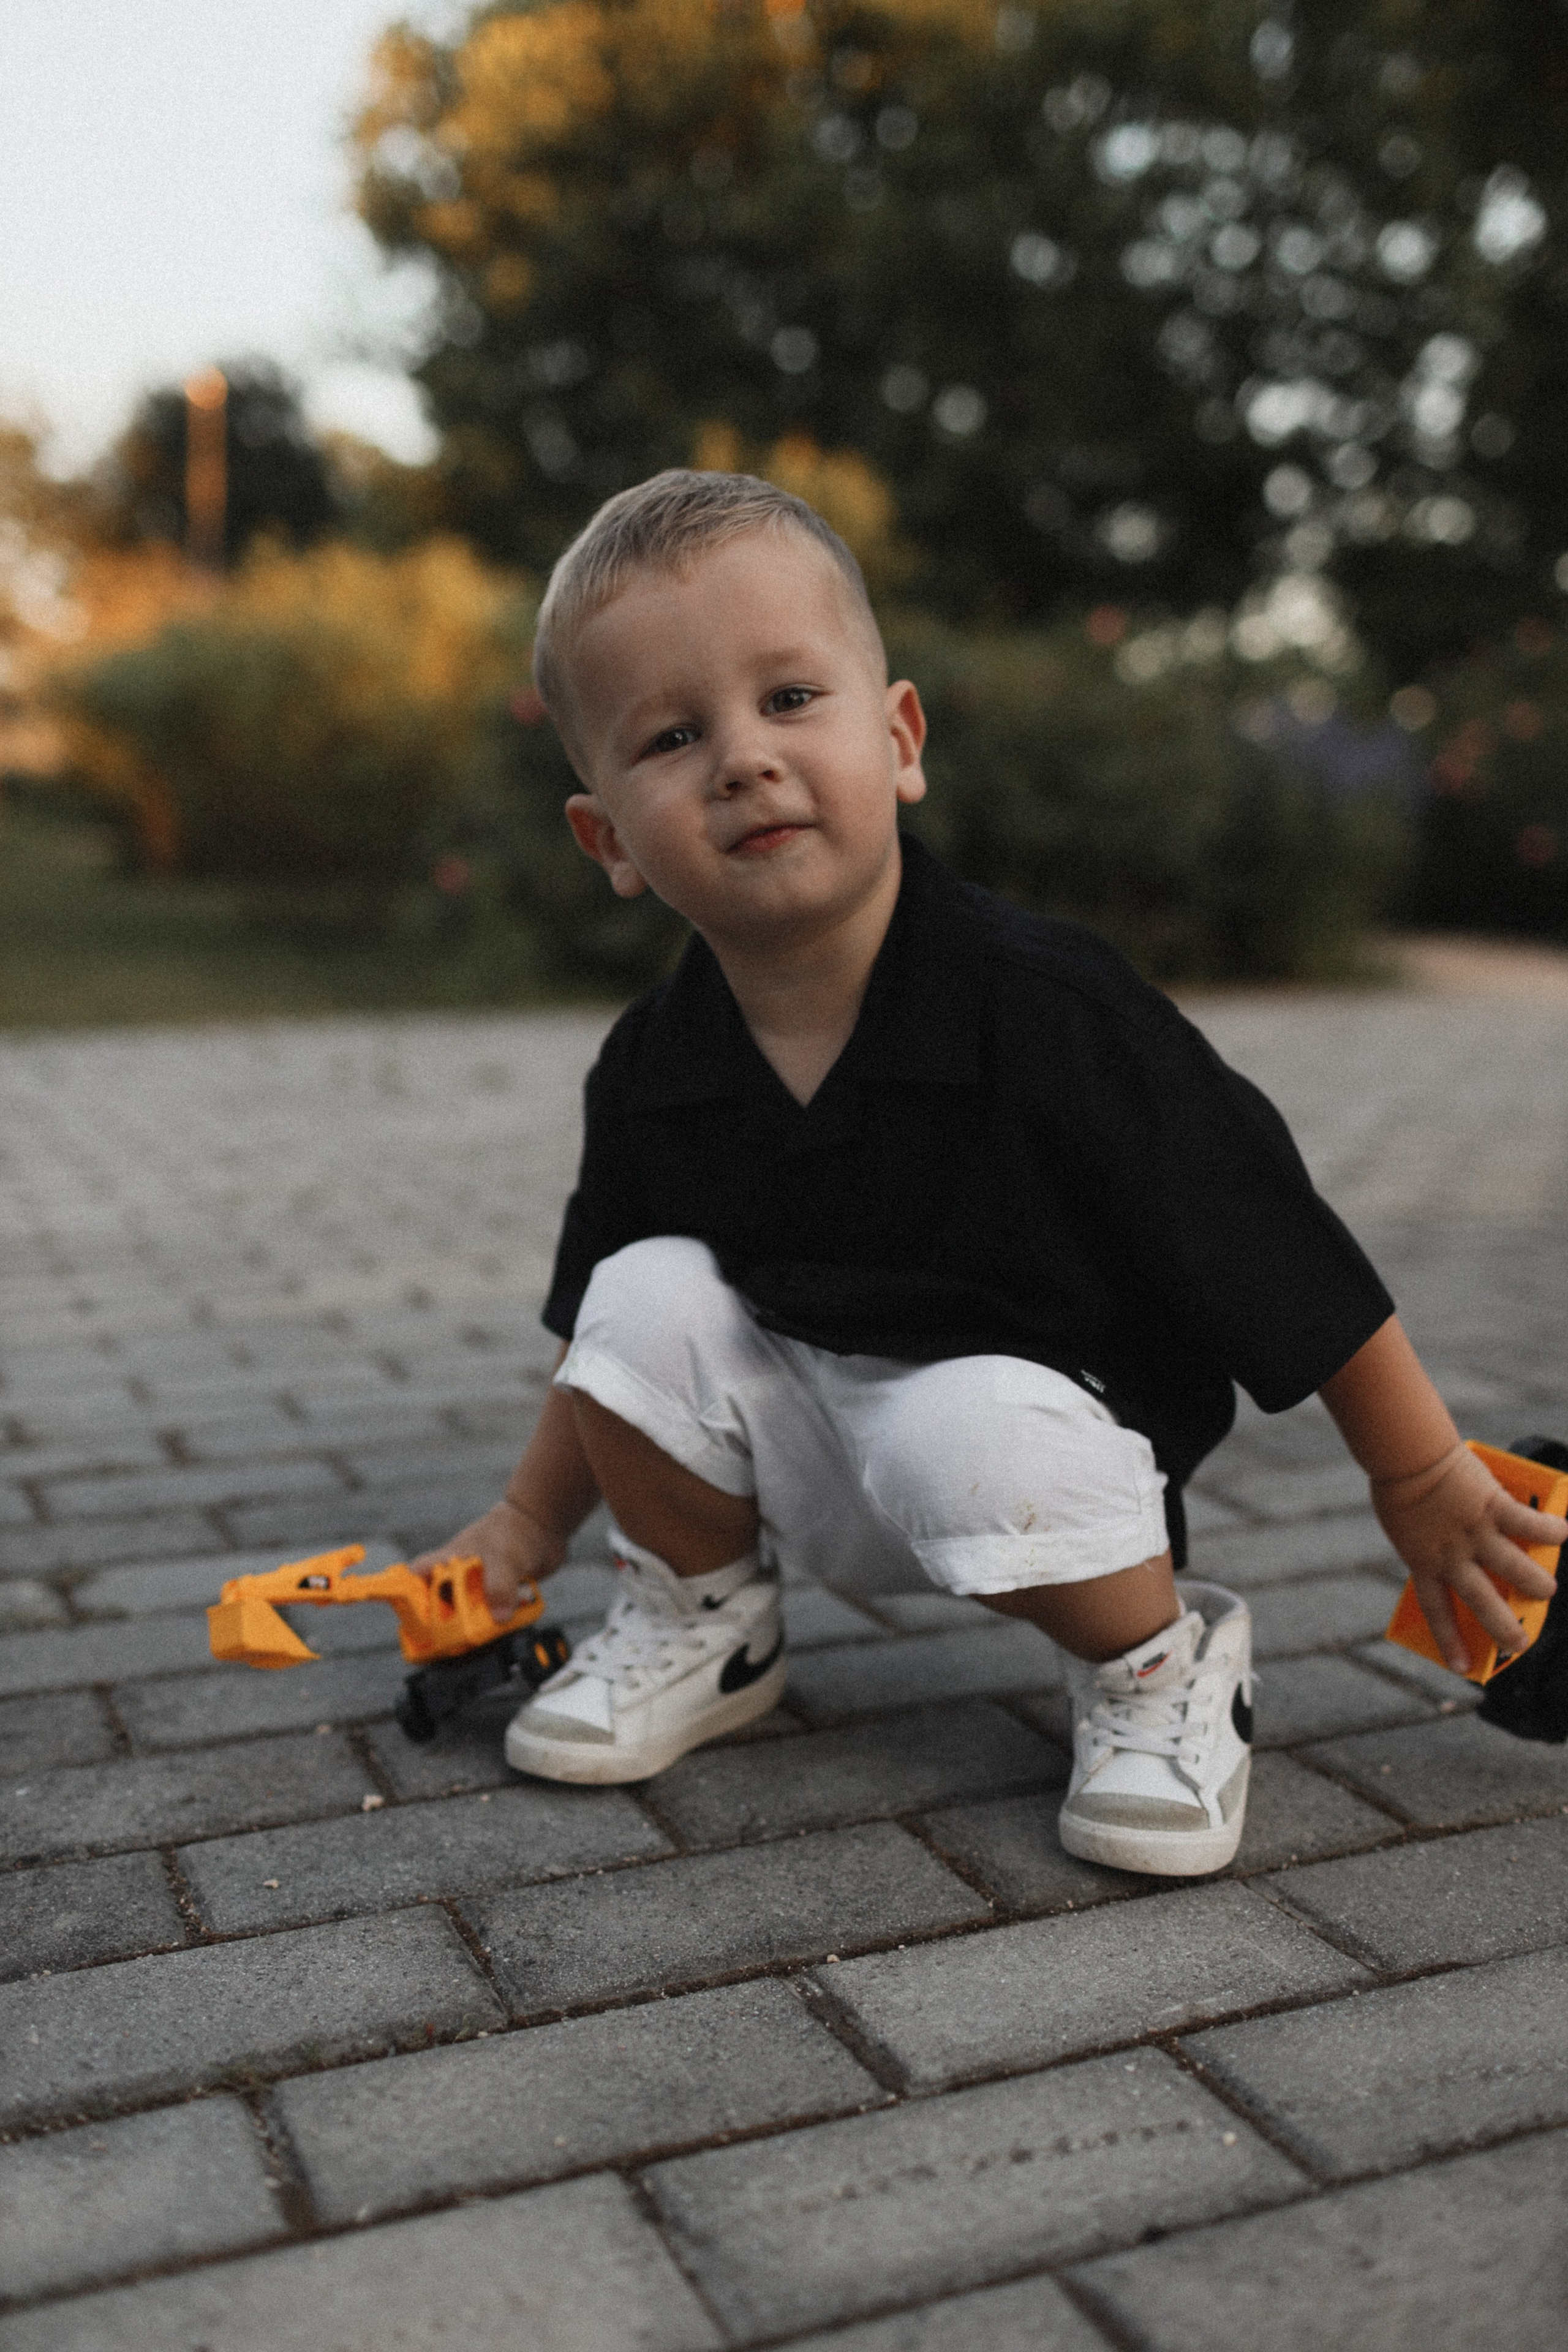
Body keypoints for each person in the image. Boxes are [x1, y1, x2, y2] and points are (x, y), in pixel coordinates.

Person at [415, 469, 1565, 1877]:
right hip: (819, 1449)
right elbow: (593, 1350)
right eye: (669, 735)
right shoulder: (656, 1067)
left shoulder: (1046, 1011)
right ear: (608, 842)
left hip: (1035, 1451)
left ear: (897, 739)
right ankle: (701, 1620)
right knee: (637, 1291)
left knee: (958, 1428)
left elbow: (1271, 1242)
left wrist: (1423, 1474)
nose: (740, 759)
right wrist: (525, 1524)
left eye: (788, 700)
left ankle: (1158, 1662)